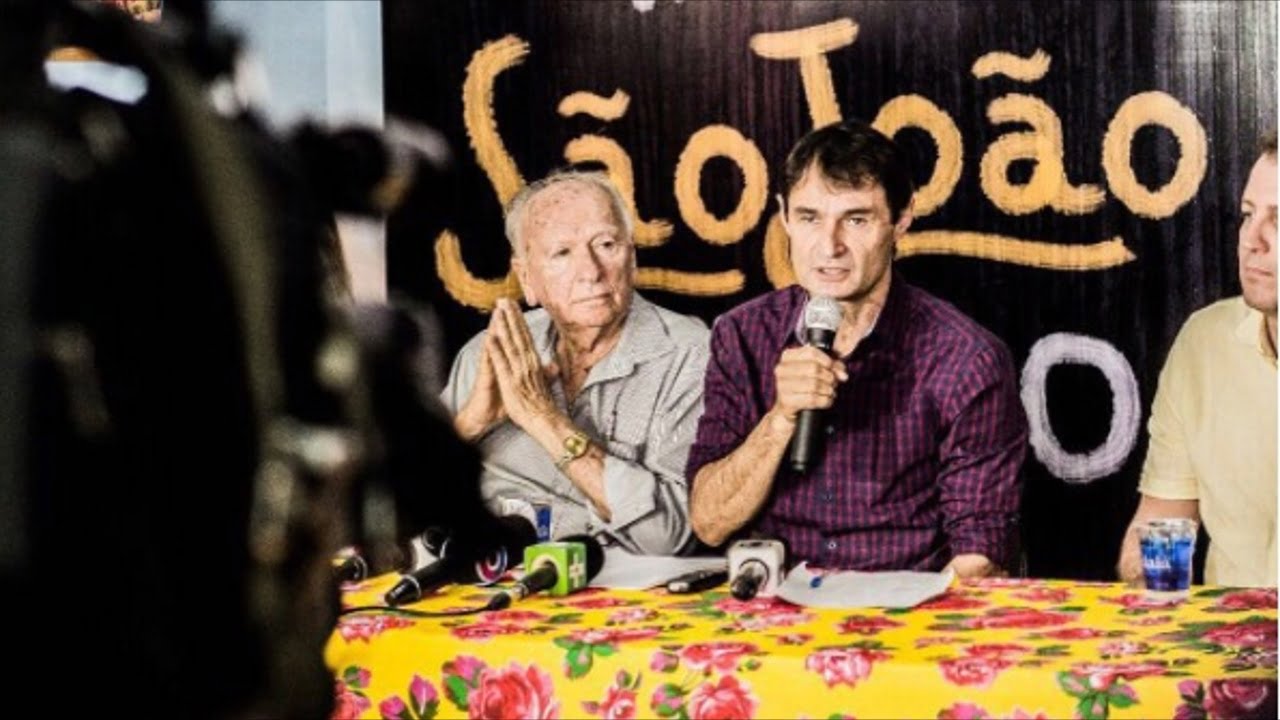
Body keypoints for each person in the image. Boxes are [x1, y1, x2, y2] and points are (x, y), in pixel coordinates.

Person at [685, 119, 1028, 577]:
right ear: (784, 216)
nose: (830, 247)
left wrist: (904, 615)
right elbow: (709, 523)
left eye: (856, 219)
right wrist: (781, 419)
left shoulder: (967, 359)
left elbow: (979, 557)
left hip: (907, 604)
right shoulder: (742, 335)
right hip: (774, 602)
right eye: (809, 218)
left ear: (901, 219)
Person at [442, 170, 709, 555]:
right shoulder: (489, 353)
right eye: (562, 253)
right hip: (488, 578)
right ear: (526, 278)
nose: (591, 272)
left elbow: (669, 537)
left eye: (606, 244)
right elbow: (398, 509)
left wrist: (542, 419)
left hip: (621, 584)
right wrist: (468, 426)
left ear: (632, 257)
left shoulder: (692, 355)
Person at [1117, 135, 1277, 588]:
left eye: (1278, 220)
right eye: (1247, 215)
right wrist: (1145, 581)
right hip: (1228, 630)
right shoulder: (1204, 344)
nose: (1251, 240)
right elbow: (1157, 523)